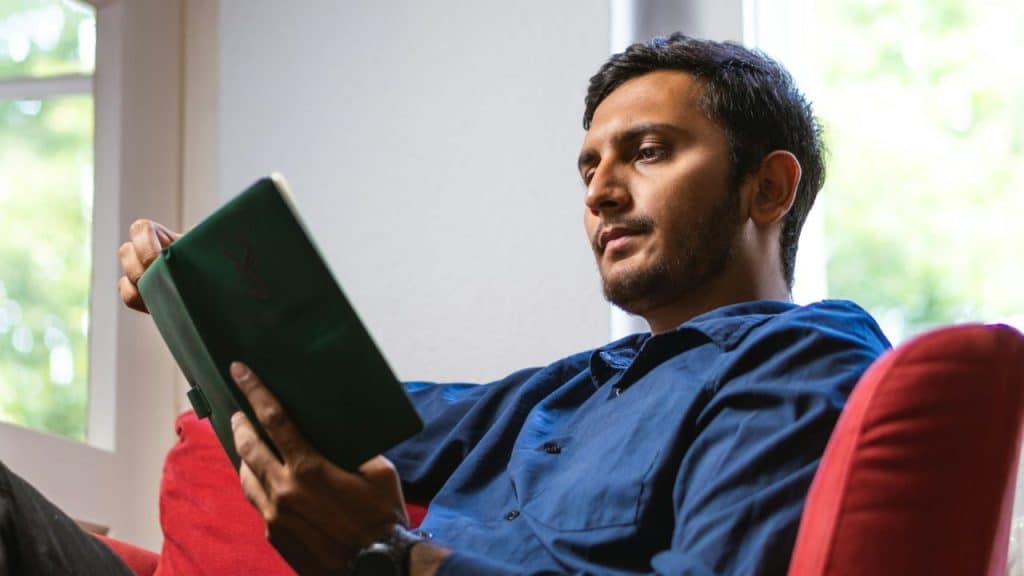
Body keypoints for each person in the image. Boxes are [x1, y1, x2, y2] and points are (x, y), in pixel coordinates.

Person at [1, 33, 889, 575]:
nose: (602, 191)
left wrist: (391, 560)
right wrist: (193, 295)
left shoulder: (801, 362)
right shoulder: (562, 390)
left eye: (647, 151)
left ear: (768, 189)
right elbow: (336, 410)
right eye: (588, 167)